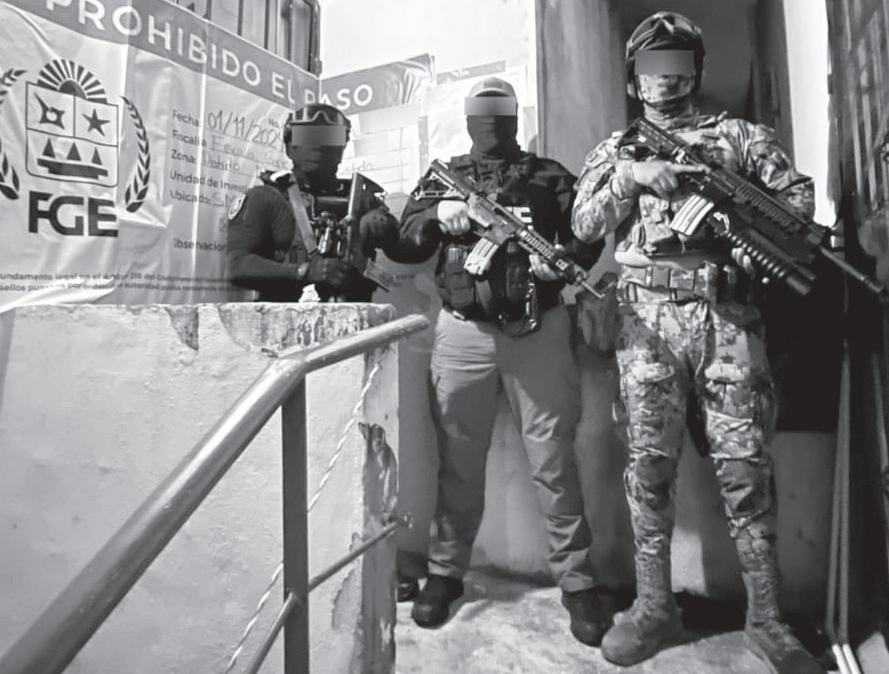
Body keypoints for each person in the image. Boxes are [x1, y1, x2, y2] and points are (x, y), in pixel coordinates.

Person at [571, 12, 826, 673]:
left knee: (745, 470)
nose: (664, 76)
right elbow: (582, 223)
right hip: (645, 324)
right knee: (648, 468)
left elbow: (797, 205)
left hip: (727, 319)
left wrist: (736, 219)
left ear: (695, 71)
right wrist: (630, 177)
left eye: (677, 61)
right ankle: (654, 608)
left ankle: (766, 620)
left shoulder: (740, 138)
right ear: (634, 78)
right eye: (652, 63)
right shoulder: (617, 148)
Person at [393, 77, 611, 645]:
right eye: (482, 111)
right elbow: (406, 241)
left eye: (501, 110)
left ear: (516, 116)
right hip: (463, 331)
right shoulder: (444, 176)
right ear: (469, 119)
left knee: (553, 460)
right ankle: (446, 572)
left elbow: (587, 236)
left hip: (540, 329)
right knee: (457, 460)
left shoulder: (551, 177)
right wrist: (440, 213)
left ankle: (577, 580)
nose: (491, 121)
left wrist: (561, 260)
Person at [226, 103, 400, 302]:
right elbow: (237, 266)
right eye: (307, 136)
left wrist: (398, 225)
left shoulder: (363, 199)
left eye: (329, 136)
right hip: (286, 317)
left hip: (355, 317)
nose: (318, 145)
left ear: (342, 147)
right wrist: (304, 272)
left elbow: (405, 250)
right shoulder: (266, 197)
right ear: (289, 147)